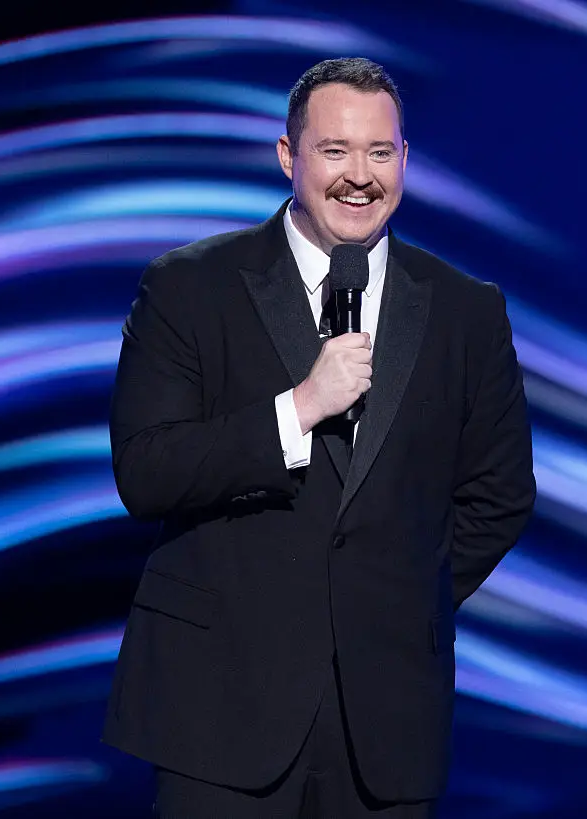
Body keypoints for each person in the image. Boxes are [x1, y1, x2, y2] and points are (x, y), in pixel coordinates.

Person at [102, 57, 536, 818]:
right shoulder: (189, 287)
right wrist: (295, 410)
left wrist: (398, 598)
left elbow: (499, 495)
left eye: (378, 153)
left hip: (386, 713)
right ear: (288, 156)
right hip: (221, 702)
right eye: (334, 151)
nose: (358, 177)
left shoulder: (466, 311)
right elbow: (148, 469)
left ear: (405, 161)